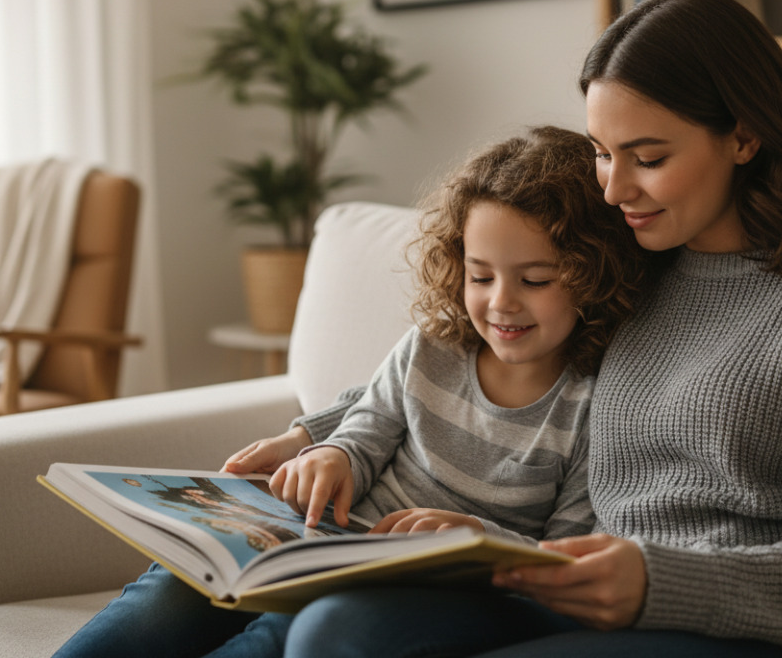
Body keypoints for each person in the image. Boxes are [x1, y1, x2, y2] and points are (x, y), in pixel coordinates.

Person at [238, 0, 782, 658]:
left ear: (743, 136)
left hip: (749, 624)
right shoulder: (629, 265)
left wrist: (658, 582)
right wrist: (314, 433)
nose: (612, 189)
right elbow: (478, 355)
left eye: (648, 158)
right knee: (338, 629)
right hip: (575, 587)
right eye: (604, 154)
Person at [51, 125, 655, 658]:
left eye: (536, 279)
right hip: (319, 538)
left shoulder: (592, 405)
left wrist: (478, 538)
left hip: (395, 584)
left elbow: (564, 552)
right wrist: (330, 455)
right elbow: (367, 428)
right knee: (169, 588)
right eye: (480, 275)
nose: (501, 302)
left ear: (590, 272)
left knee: (276, 637)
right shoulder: (433, 347)